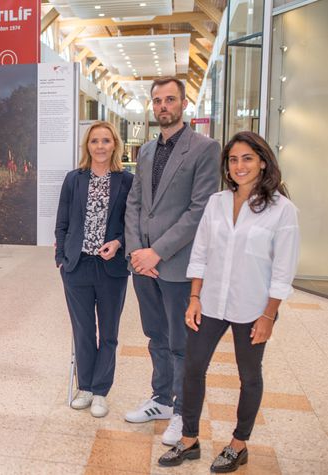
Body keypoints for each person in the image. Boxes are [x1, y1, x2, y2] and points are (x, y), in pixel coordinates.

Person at [159, 131, 299, 472]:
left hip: (254, 308)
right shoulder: (217, 203)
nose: (239, 166)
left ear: (263, 162)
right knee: (193, 368)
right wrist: (194, 298)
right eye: (233, 159)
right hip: (210, 303)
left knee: (249, 375)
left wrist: (268, 317)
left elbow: (283, 270)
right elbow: (201, 253)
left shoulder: (282, 210)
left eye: (247, 158)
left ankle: (239, 444)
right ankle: (189, 439)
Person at [124, 77, 221, 445]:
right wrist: (137, 252)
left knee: (181, 342)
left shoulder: (204, 148)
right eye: (157, 100)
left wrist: (157, 251)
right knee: (155, 336)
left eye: (170, 99)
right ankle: (162, 399)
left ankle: (183, 413)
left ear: (183, 104)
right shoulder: (146, 150)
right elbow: (134, 202)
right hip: (143, 266)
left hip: (177, 265)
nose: (163, 106)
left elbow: (200, 210)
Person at [55, 121, 134, 417]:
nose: (100, 146)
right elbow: (62, 221)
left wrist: (119, 243)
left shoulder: (127, 181)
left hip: (111, 268)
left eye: (106, 141)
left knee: (109, 332)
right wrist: (62, 257)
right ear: (87, 146)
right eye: (94, 141)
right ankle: (85, 387)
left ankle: (101, 390)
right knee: (84, 330)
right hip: (77, 267)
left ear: (115, 144)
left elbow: (134, 226)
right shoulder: (73, 179)